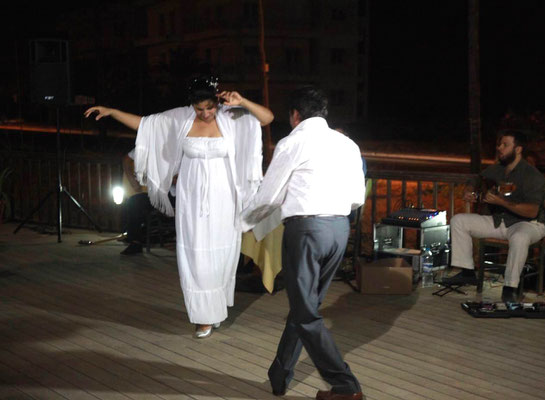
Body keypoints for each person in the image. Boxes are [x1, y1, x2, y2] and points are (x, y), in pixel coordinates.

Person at [85, 76, 274, 338]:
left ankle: (214, 310)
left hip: (224, 197)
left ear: (217, 102)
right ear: (192, 106)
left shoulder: (232, 117)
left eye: (210, 107)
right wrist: (113, 112)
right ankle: (202, 317)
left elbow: (266, 118)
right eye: (200, 109)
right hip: (192, 196)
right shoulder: (181, 118)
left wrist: (242, 101)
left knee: (221, 253)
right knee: (196, 254)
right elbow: (145, 125)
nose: (206, 113)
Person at [242, 86, 365, 400]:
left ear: (295, 115)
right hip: (339, 230)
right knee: (305, 308)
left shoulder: (292, 142)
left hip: (307, 232)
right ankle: (280, 375)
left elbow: (269, 196)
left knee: (306, 313)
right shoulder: (347, 144)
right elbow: (356, 197)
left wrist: (241, 222)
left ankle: (345, 386)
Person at [443, 130, 545, 302]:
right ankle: (467, 271)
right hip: (501, 221)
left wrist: (502, 202)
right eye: (499, 144)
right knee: (459, 220)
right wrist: (470, 190)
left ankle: (510, 288)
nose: (499, 148)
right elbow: (476, 179)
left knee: (520, 237)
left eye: (505, 145)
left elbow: (532, 211)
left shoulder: (531, 175)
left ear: (518, 149)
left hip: (528, 224)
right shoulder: (498, 169)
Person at [120, 148, 153, 255]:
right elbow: (126, 160)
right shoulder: (146, 146)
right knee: (135, 203)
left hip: (163, 194)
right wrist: (132, 181)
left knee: (137, 203)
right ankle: (134, 240)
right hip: (145, 191)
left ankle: (135, 240)